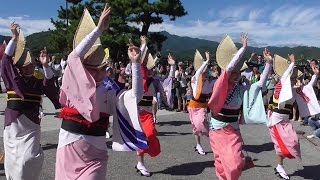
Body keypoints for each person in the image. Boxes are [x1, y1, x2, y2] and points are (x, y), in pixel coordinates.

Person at [55, 6, 147, 180]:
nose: (98, 73)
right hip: (68, 148)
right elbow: (73, 57)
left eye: (102, 69)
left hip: (96, 155)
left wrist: (135, 64)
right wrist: (98, 31)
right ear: (82, 69)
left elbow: (136, 97)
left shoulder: (109, 89)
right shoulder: (74, 83)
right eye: (92, 69)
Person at [208, 34, 272, 180]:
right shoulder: (220, 84)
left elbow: (260, 84)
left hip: (233, 129)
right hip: (218, 129)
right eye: (234, 72)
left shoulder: (241, 88)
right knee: (221, 162)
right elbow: (229, 68)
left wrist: (268, 64)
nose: (237, 74)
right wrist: (243, 49)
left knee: (236, 163)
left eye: (239, 71)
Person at [1, 23, 61, 180]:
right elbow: (6, 62)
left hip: (32, 125)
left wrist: (46, 65)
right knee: (14, 162)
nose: (30, 69)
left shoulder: (38, 80)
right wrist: (14, 38)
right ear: (20, 67)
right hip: (13, 126)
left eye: (32, 66)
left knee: (30, 158)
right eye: (26, 66)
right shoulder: (13, 80)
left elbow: (50, 87)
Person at [268, 54, 320, 179]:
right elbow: (285, 76)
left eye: (294, 77)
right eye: (292, 77)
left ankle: (279, 166)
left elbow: (308, 87)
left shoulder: (294, 90)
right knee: (282, 145)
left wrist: (316, 75)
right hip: (275, 119)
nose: (293, 79)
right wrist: (292, 63)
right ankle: (280, 167)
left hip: (285, 120)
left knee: (293, 142)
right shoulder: (281, 86)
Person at [135, 37, 173, 176]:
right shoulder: (138, 78)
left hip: (147, 114)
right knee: (141, 137)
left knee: (150, 134)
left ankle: (141, 161)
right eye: (146, 66)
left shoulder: (155, 81)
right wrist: (143, 45)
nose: (149, 69)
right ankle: (140, 163)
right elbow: (138, 64)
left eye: (150, 67)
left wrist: (173, 67)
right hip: (136, 113)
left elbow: (168, 82)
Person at [188, 51, 215, 155]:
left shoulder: (209, 83)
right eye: (204, 72)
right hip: (193, 106)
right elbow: (198, 72)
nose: (206, 74)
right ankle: (198, 144)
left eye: (207, 72)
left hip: (202, 107)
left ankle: (213, 139)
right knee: (195, 126)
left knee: (202, 121)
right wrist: (207, 61)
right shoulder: (195, 80)